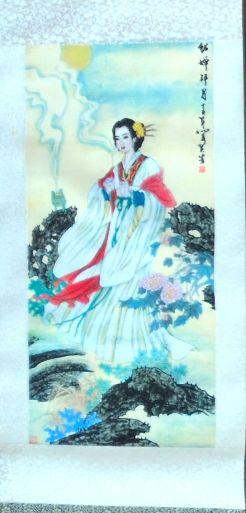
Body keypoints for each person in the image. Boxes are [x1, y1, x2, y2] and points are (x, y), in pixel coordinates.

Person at [46, 118, 190, 365]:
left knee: (129, 288)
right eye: (117, 138)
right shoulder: (118, 168)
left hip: (139, 239)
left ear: (135, 137)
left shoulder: (148, 165)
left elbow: (159, 200)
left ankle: (131, 347)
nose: (121, 142)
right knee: (105, 282)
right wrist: (105, 191)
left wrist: (133, 195)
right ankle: (101, 338)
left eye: (125, 137)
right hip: (118, 236)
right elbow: (99, 192)